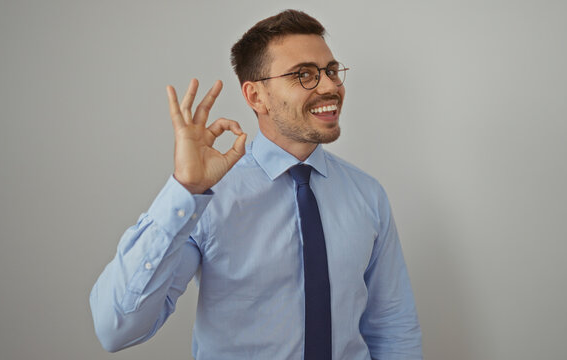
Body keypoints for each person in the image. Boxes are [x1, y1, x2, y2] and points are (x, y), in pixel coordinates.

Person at [90, 9, 422, 360]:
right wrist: (184, 190)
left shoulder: (367, 195)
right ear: (255, 97)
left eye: (331, 70)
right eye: (304, 75)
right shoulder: (207, 198)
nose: (329, 86)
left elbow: (391, 324)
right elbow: (117, 329)